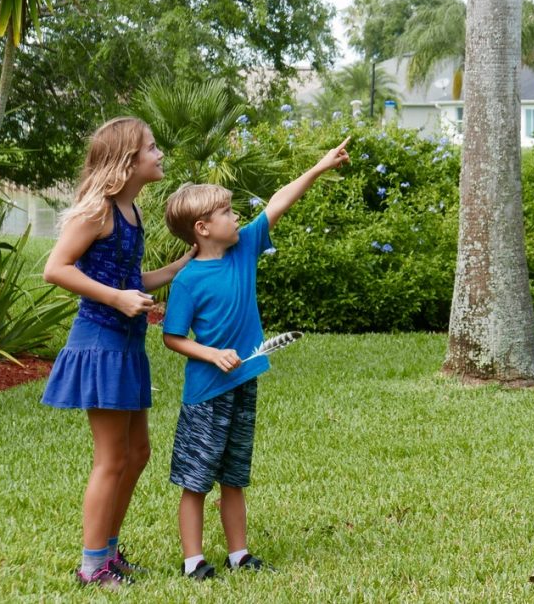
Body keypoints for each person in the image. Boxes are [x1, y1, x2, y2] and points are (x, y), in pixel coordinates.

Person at [161, 138, 350, 580]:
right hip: (206, 393)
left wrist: (319, 167)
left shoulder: (245, 247)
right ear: (203, 228)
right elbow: (172, 337)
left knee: (235, 475)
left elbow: (280, 199)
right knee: (196, 479)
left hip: (244, 383)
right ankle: (193, 562)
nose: (236, 216)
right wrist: (210, 353)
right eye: (225, 212)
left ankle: (239, 554)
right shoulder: (188, 279)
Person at [41, 117, 196, 589]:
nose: (159, 154)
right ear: (128, 161)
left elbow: (129, 280)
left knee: (138, 452)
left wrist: (178, 267)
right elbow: (55, 269)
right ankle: (92, 567)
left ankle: (109, 551)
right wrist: (117, 298)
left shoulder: (131, 212)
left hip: (126, 345)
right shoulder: (98, 211)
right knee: (111, 458)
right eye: (152, 148)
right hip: (100, 343)